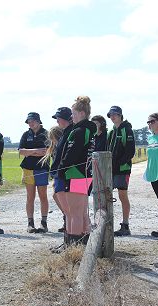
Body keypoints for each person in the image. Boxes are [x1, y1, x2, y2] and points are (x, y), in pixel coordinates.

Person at [58, 96, 96, 245]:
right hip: (83, 174)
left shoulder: (80, 130)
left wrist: (61, 169)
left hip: (75, 174)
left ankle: (74, 248)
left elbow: (71, 154)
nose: (72, 117)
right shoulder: (87, 130)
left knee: (74, 214)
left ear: (81, 113)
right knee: (81, 213)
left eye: (73, 113)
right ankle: (85, 245)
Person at [18, 112, 50, 233]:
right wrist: (36, 151)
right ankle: (30, 223)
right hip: (28, 168)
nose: (31, 123)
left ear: (38, 121)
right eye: (29, 121)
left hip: (42, 168)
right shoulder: (26, 134)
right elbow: (21, 151)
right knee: (30, 196)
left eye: (33, 121)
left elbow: (46, 152)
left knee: (43, 196)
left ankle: (44, 223)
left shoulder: (46, 134)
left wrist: (29, 152)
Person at [106, 106, 135, 236]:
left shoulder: (127, 129)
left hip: (123, 170)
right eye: (111, 115)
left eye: (115, 115)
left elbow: (130, 151)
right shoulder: (111, 132)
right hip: (110, 169)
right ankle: (106, 223)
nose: (113, 117)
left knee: (122, 196)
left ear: (120, 115)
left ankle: (125, 224)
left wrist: (119, 163)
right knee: (106, 195)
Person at [50, 107, 73, 233]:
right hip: (61, 174)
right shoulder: (66, 135)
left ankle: (72, 233)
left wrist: (59, 171)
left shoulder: (71, 134)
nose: (57, 121)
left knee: (73, 208)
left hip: (68, 175)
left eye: (59, 118)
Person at [40, 125, 64, 233]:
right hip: (57, 175)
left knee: (60, 195)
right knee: (56, 195)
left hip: (62, 175)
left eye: (52, 137)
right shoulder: (54, 147)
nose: (51, 140)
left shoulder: (61, 146)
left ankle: (68, 217)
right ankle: (66, 217)